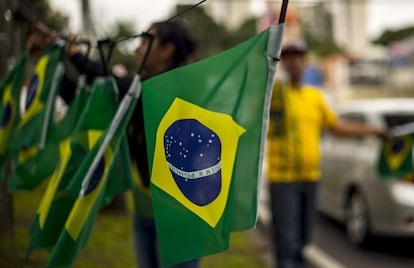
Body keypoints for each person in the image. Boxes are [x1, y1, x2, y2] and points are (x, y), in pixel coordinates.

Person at [68, 20, 198, 268]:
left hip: (179, 216)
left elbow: (117, 85)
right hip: (145, 210)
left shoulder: (180, 87)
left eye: (146, 41)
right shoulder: (141, 87)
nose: (138, 48)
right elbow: (88, 95)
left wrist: (75, 55)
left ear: (167, 50)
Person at [266, 40, 389, 268]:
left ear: (305, 62)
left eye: (297, 58)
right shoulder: (274, 95)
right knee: (286, 242)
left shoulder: (314, 97)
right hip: (283, 181)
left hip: (310, 178)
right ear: (283, 64)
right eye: (288, 58)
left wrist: (372, 130)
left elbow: (336, 126)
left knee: (303, 239)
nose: (293, 62)